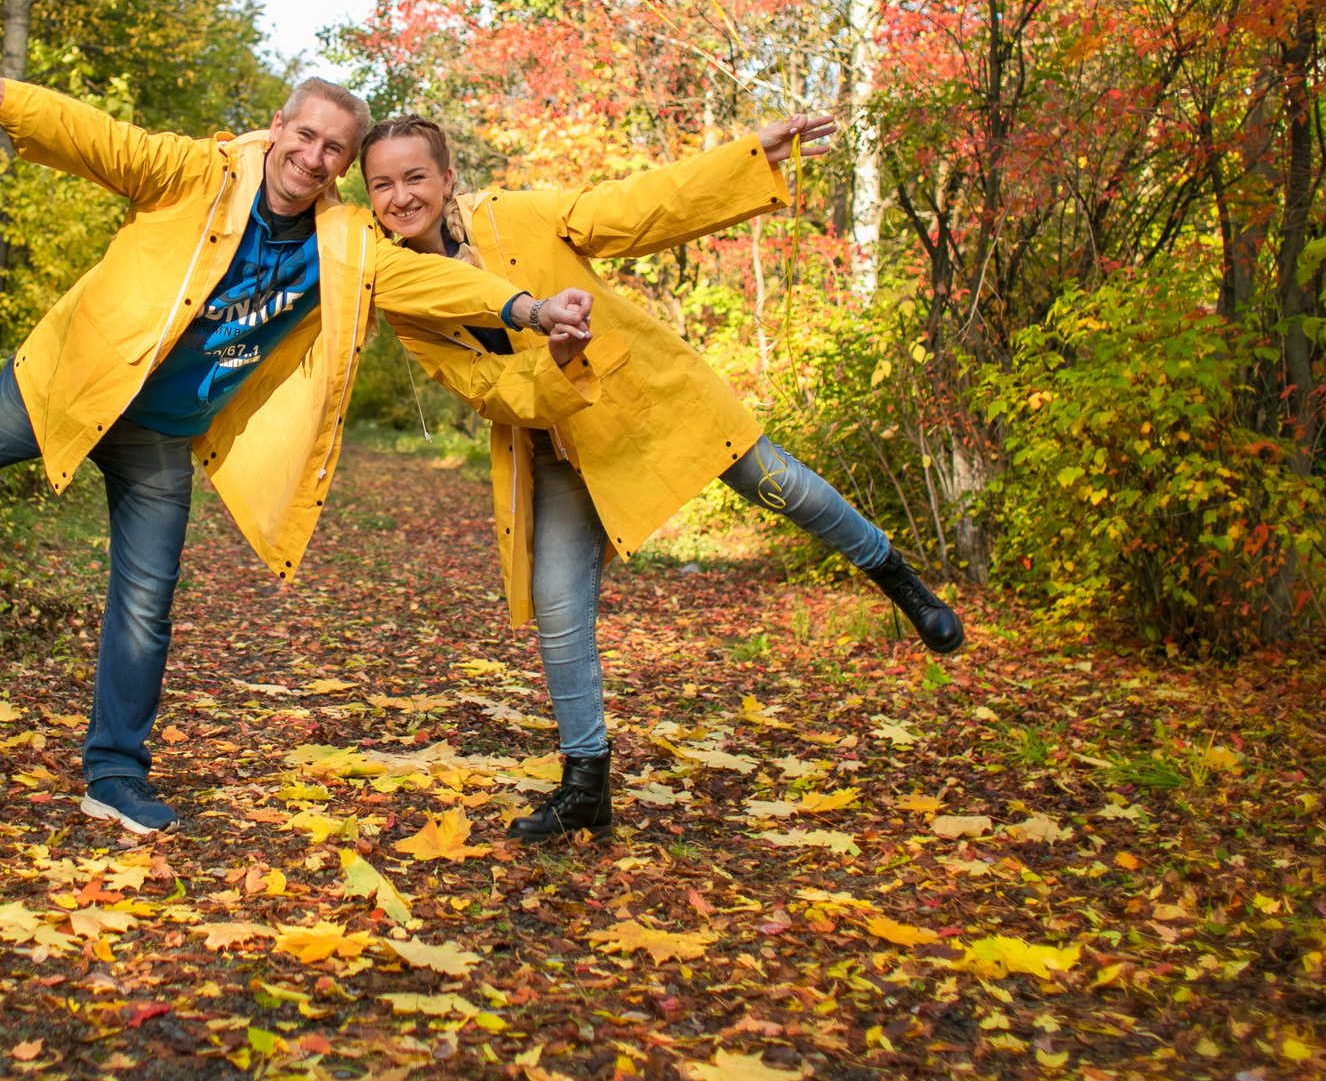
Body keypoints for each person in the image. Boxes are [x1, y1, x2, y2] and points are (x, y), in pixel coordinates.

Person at [0, 45, 597, 837]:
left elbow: (436, 283)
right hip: (76, 380)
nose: (312, 155)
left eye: (333, 148)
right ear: (277, 126)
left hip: (161, 432)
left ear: (341, 166)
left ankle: (115, 773)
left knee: (146, 603)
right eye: (305, 134)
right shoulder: (200, 174)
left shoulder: (346, 242)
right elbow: (101, 139)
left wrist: (527, 309)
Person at [359, 113, 966, 842]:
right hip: (553, 440)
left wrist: (744, 159)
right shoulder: (401, 297)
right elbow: (485, 388)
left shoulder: (516, 214)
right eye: (383, 183)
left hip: (645, 395)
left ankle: (895, 574)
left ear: (448, 178)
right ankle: (586, 785)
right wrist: (549, 363)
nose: (401, 195)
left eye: (415, 176)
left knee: (778, 483)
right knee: (557, 600)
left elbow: (638, 205)